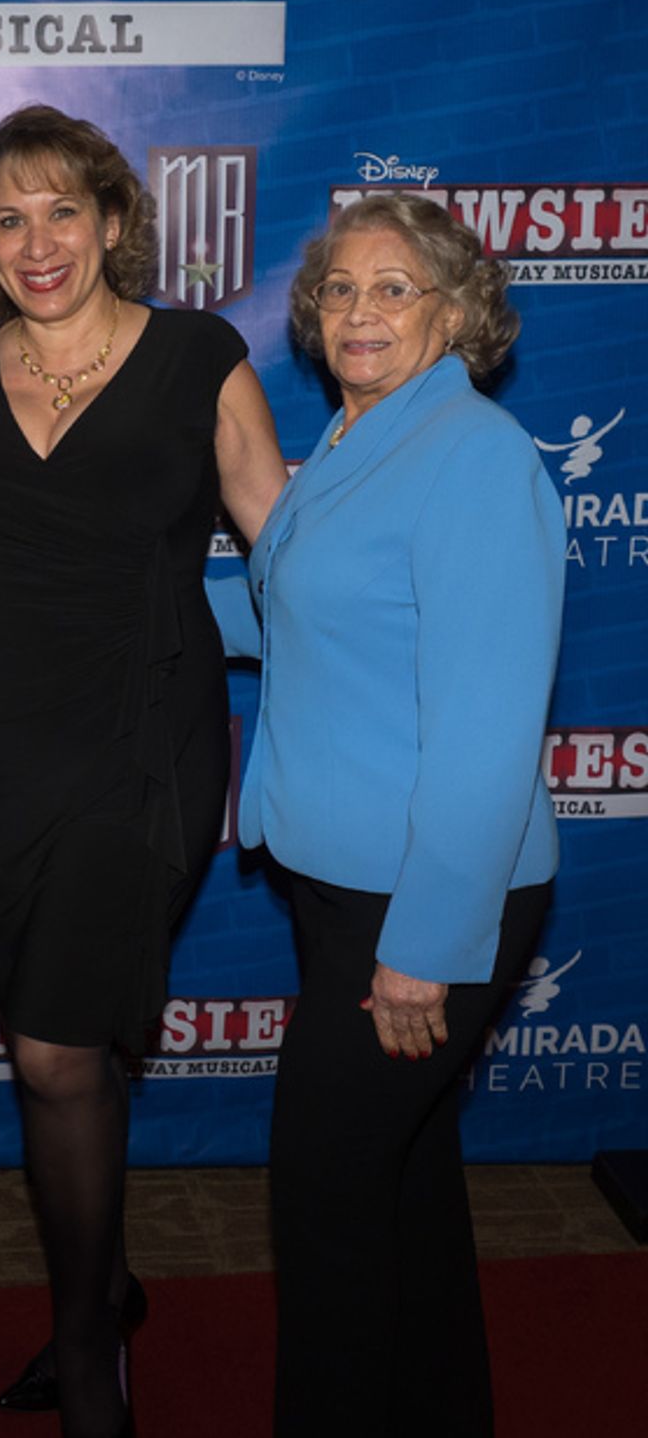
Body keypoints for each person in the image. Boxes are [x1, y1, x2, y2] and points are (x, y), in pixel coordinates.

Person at [0, 104, 289, 1438]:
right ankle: (109, 1285)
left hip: (149, 732)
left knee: (59, 1050)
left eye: (62, 207)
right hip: (7, 742)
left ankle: (87, 1354)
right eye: (7, 217)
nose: (38, 238)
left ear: (115, 220)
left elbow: (279, 538)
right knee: (43, 1035)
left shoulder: (198, 354)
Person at [231, 192, 563, 1436]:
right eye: (336, 289)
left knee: (322, 1195)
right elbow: (295, 615)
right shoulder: (358, 438)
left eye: (392, 288)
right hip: (342, 885)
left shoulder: (471, 458)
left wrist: (422, 947)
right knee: (401, 1182)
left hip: (422, 902)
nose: (357, 312)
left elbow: (486, 728)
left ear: (456, 310)